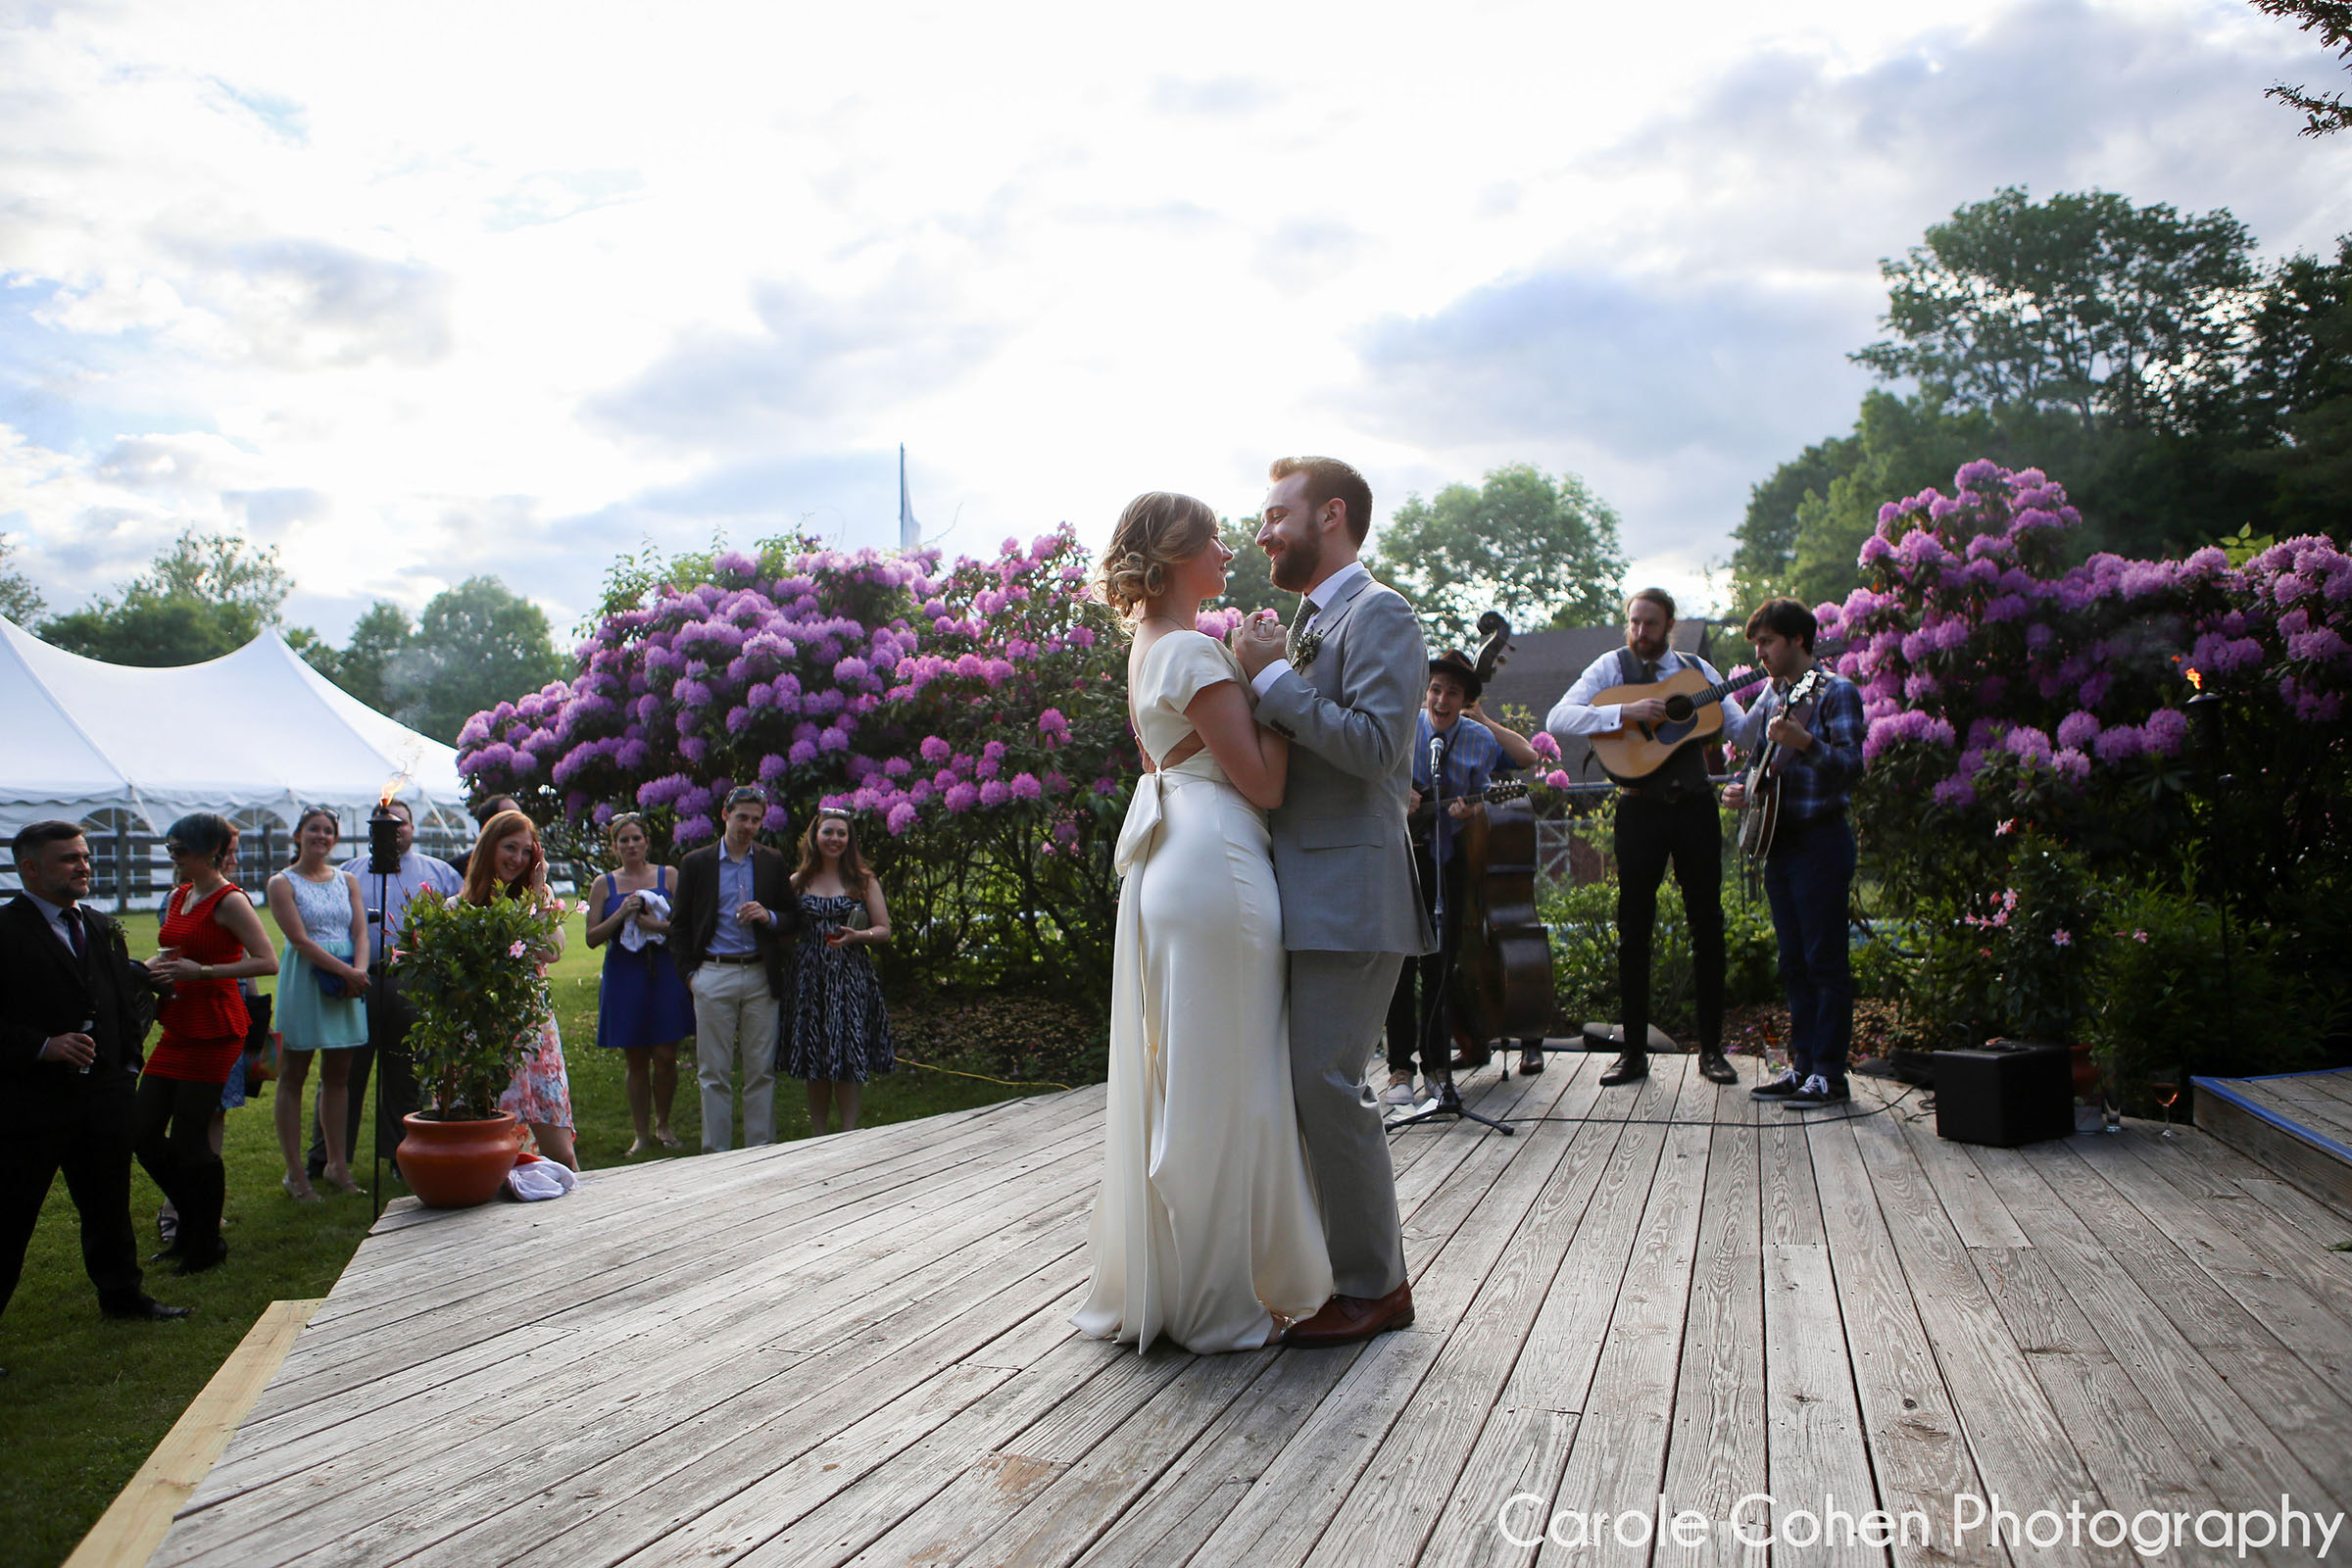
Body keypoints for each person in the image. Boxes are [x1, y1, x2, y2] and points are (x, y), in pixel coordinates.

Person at [1073, 490, 1333, 1354]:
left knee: (1186, 1072)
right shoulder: (1190, 648)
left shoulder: (1148, 646)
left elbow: (1178, 760)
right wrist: (1270, 675)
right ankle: (1221, 1294)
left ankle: (1187, 1282)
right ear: (1176, 553)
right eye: (1214, 539)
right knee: (1232, 1078)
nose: (1229, 550)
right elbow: (1264, 783)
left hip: (1168, 859)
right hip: (1217, 860)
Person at [1228, 454, 1429, 1349]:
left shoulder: (1381, 613)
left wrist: (1274, 683)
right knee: (1301, 1086)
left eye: (1277, 514)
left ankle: (1377, 1286)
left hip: (1352, 890)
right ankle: (1327, 1273)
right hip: (1296, 886)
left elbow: (1380, 748)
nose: (1263, 532)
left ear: (1332, 515)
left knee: (1329, 1083)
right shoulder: (1310, 621)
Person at [1544, 589, 1747, 1089]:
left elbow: (1741, 730)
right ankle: (1633, 1053)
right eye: (1634, 622)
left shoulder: (1698, 671)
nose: (1640, 632)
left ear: (1669, 625)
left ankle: (1712, 1051)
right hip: (1638, 809)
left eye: (1650, 623)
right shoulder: (1611, 667)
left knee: (1707, 926)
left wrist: (1773, 702)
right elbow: (1558, 717)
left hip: (1694, 807)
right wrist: (1624, 713)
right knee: (1633, 929)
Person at [1, 820, 190, 1343]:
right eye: (68, 858)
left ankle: (123, 1297)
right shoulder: (6, 931)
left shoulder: (100, 924)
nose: (83, 866)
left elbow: (117, 998)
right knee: (12, 1215)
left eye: (84, 856)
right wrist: (43, 1046)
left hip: (104, 1095)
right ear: (30, 868)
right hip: (30, 1100)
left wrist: (127, 1064)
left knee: (108, 1202)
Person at [1723, 598, 1867, 1108]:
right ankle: (1803, 1066)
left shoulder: (1836, 692)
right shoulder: (1777, 696)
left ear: (1798, 640)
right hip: (1780, 843)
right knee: (1793, 962)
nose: (1759, 653)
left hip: (1820, 840)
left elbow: (1852, 768)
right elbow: (1761, 762)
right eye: (1757, 644)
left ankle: (1829, 1074)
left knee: (1825, 961)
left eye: (1766, 642)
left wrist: (1806, 742)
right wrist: (1741, 787)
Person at [1381, 650, 1543, 1105]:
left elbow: (1513, 767)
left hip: (1446, 861)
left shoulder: (1478, 739)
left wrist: (1473, 809)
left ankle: (1436, 1066)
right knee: (1399, 967)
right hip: (1400, 858)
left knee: (1439, 965)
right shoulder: (1403, 727)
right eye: (1435, 689)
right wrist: (1399, 793)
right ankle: (1399, 1069)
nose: (1441, 700)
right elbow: (1373, 776)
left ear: (1465, 700)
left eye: (1452, 693)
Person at [139, 813, 277, 1272]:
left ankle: (201, 1241)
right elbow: (172, 950)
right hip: (179, 1024)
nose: (173, 857)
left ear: (210, 851)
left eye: (180, 849)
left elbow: (267, 961)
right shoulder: (180, 895)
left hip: (216, 1026)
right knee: (141, 1130)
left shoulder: (229, 900)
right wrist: (144, 970)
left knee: (191, 1139)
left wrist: (203, 972)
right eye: (170, 848)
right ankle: (196, 1222)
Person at [313, 797, 460, 1184]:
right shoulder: (348, 873)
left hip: (411, 982)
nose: (394, 830)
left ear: (412, 828)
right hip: (357, 980)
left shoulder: (439, 873)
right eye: (383, 822)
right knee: (343, 1071)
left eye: (401, 822)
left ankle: (399, 1154)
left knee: (404, 1073)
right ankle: (327, 1157)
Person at [671, 786, 801, 1152]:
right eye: (742, 817)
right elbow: (679, 926)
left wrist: (769, 916)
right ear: (725, 815)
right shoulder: (697, 863)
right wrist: (692, 977)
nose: (748, 826)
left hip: (760, 974)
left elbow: (793, 917)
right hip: (713, 973)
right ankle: (717, 1155)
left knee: (761, 1070)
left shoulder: (771, 861)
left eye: (756, 820)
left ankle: (760, 1151)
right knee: (713, 1072)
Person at [461, 809, 580, 1168]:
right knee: (489, 1152)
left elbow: (552, 951)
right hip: (485, 1033)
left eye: (527, 851)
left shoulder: (535, 901)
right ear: (490, 847)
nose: (518, 858)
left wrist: (539, 889)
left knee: (561, 1151)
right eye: (510, 847)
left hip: (534, 1035)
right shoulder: (460, 907)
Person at [266, 808, 370, 1200]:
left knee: (339, 1075)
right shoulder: (282, 883)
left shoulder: (347, 880)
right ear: (298, 835)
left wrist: (359, 970)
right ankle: (296, 1173)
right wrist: (347, 973)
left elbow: (360, 931)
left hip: (347, 976)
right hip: (307, 977)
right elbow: (299, 939)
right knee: (293, 1072)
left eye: (328, 831)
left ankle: (337, 1165)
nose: (321, 836)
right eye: (314, 829)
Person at [780, 810, 896, 1135]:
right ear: (815, 837)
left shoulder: (863, 881)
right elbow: (786, 930)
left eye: (841, 834)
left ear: (849, 839)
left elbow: (884, 929)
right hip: (809, 977)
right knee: (815, 1055)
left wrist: (859, 936)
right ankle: (818, 1134)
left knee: (848, 1051)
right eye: (828, 832)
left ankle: (848, 1132)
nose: (835, 839)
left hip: (850, 976)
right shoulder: (798, 882)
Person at [584, 811, 694, 1154]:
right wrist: (621, 914)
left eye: (636, 839)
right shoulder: (604, 884)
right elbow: (591, 937)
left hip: (664, 970)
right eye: (624, 840)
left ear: (647, 842)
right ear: (615, 846)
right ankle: (641, 1133)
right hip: (624, 972)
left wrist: (655, 926)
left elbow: (688, 925)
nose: (631, 845)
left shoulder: (669, 876)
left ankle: (664, 1123)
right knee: (635, 1056)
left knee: (665, 1053)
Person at [447, 795, 520, 884]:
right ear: (489, 824)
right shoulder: (454, 870)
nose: (519, 824)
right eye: (510, 818)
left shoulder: (527, 868)